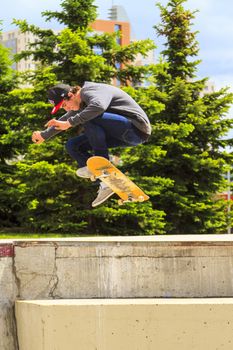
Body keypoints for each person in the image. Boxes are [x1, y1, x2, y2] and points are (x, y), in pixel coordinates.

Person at [32, 81, 151, 207]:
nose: (67, 109)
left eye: (65, 105)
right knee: (73, 146)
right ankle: (105, 182)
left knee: (89, 117)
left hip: (136, 129)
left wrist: (69, 123)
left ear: (71, 95)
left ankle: (103, 168)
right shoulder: (81, 103)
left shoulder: (91, 91)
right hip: (120, 135)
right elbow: (65, 118)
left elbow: (98, 107)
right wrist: (44, 135)